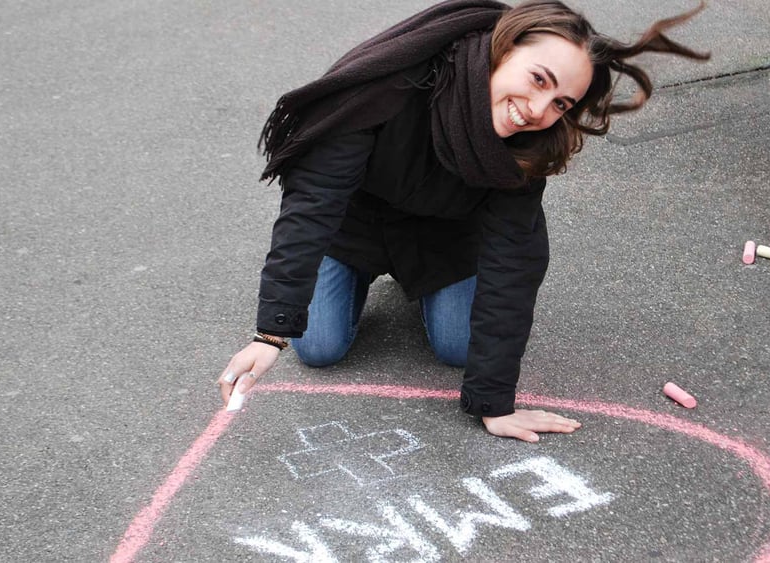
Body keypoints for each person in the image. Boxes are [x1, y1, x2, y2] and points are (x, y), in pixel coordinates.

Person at [218, 0, 709, 442]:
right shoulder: (388, 86)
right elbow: (313, 206)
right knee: (318, 347)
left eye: (561, 103)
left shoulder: (526, 148)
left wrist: (493, 404)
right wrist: (271, 332)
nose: (537, 111)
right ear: (502, 50)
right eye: (539, 79)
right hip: (353, 227)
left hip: (444, 237)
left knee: (459, 348)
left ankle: (421, 286)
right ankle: (360, 278)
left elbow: (514, 259)